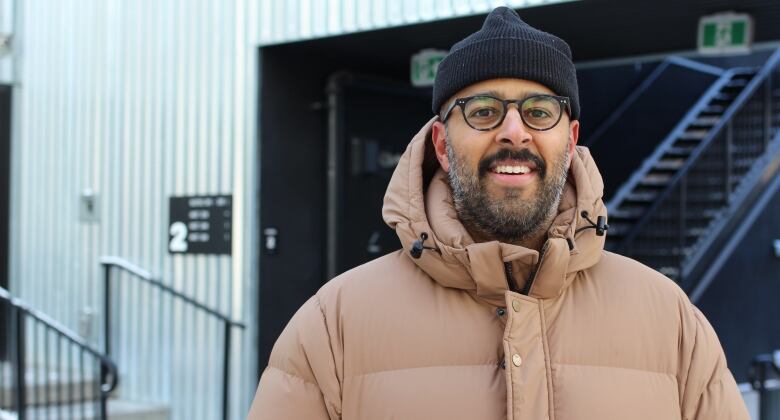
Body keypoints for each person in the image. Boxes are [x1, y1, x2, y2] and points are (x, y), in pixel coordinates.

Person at [248, 6, 749, 420]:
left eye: (539, 111)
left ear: (570, 140)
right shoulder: (333, 327)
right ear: (442, 144)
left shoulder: (670, 321)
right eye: (484, 111)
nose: (514, 131)